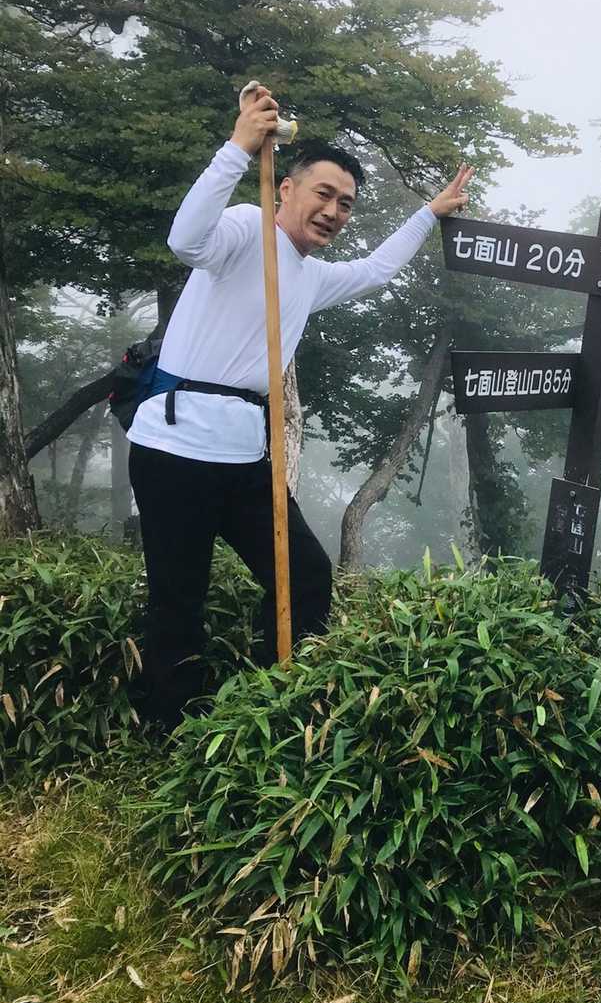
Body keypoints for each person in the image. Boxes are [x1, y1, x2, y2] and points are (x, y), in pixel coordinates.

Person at [126, 85, 472, 730]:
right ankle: (167, 729)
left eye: (346, 203)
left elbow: (375, 271)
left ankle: (273, 708)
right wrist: (238, 146)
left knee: (306, 576)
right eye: (323, 193)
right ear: (285, 189)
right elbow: (185, 241)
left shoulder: (309, 277)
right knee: (179, 598)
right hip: (174, 448)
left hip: (244, 459)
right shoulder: (243, 229)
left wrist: (429, 213)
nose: (334, 210)